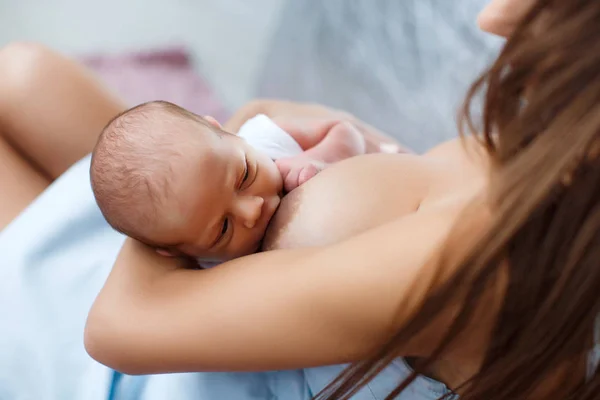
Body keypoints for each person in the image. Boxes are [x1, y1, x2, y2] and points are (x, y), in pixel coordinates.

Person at [85, 1, 600, 400]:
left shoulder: (473, 254)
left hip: (156, 347)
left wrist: (172, 210)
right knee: (25, 77)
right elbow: (288, 121)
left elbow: (112, 328)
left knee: (18, 82)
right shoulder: (534, 170)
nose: (492, 16)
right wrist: (189, 177)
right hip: (179, 290)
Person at [90, 100, 368, 264]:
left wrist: (323, 158)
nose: (252, 210)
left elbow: (343, 129)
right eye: (223, 229)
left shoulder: (268, 137)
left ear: (219, 129)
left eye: (245, 175)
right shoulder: (214, 276)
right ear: (179, 252)